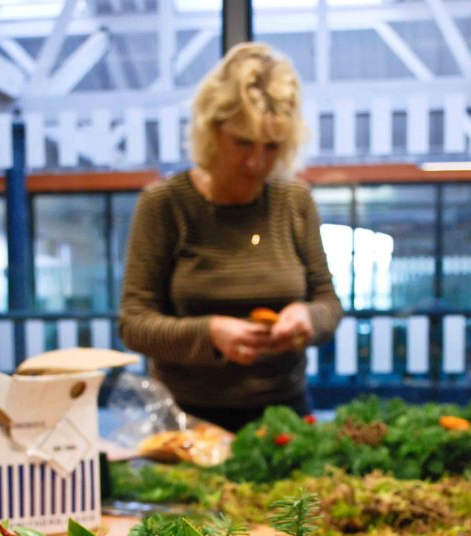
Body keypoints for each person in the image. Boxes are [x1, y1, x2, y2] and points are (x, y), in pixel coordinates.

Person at [119, 41, 342, 433]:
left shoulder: (294, 201)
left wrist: (308, 318)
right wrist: (210, 334)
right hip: (187, 423)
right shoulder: (165, 205)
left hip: (283, 418)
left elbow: (328, 301)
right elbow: (134, 324)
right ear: (212, 130)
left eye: (272, 146)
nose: (257, 162)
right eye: (243, 142)